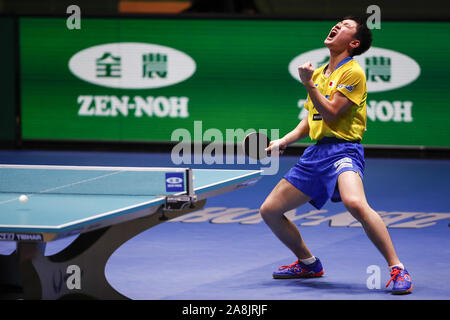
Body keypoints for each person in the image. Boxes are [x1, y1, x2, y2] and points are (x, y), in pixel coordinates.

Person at [260, 16, 412, 294]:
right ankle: (308, 263)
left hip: (344, 150)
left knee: (355, 203)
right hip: (316, 152)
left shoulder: (353, 72)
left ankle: (397, 268)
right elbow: (312, 119)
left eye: (345, 26)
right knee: (269, 211)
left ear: (353, 43)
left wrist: (308, 85)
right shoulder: (318, 74)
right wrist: (283, 140)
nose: (337, 26)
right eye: (338, 23)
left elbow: (331, 112)